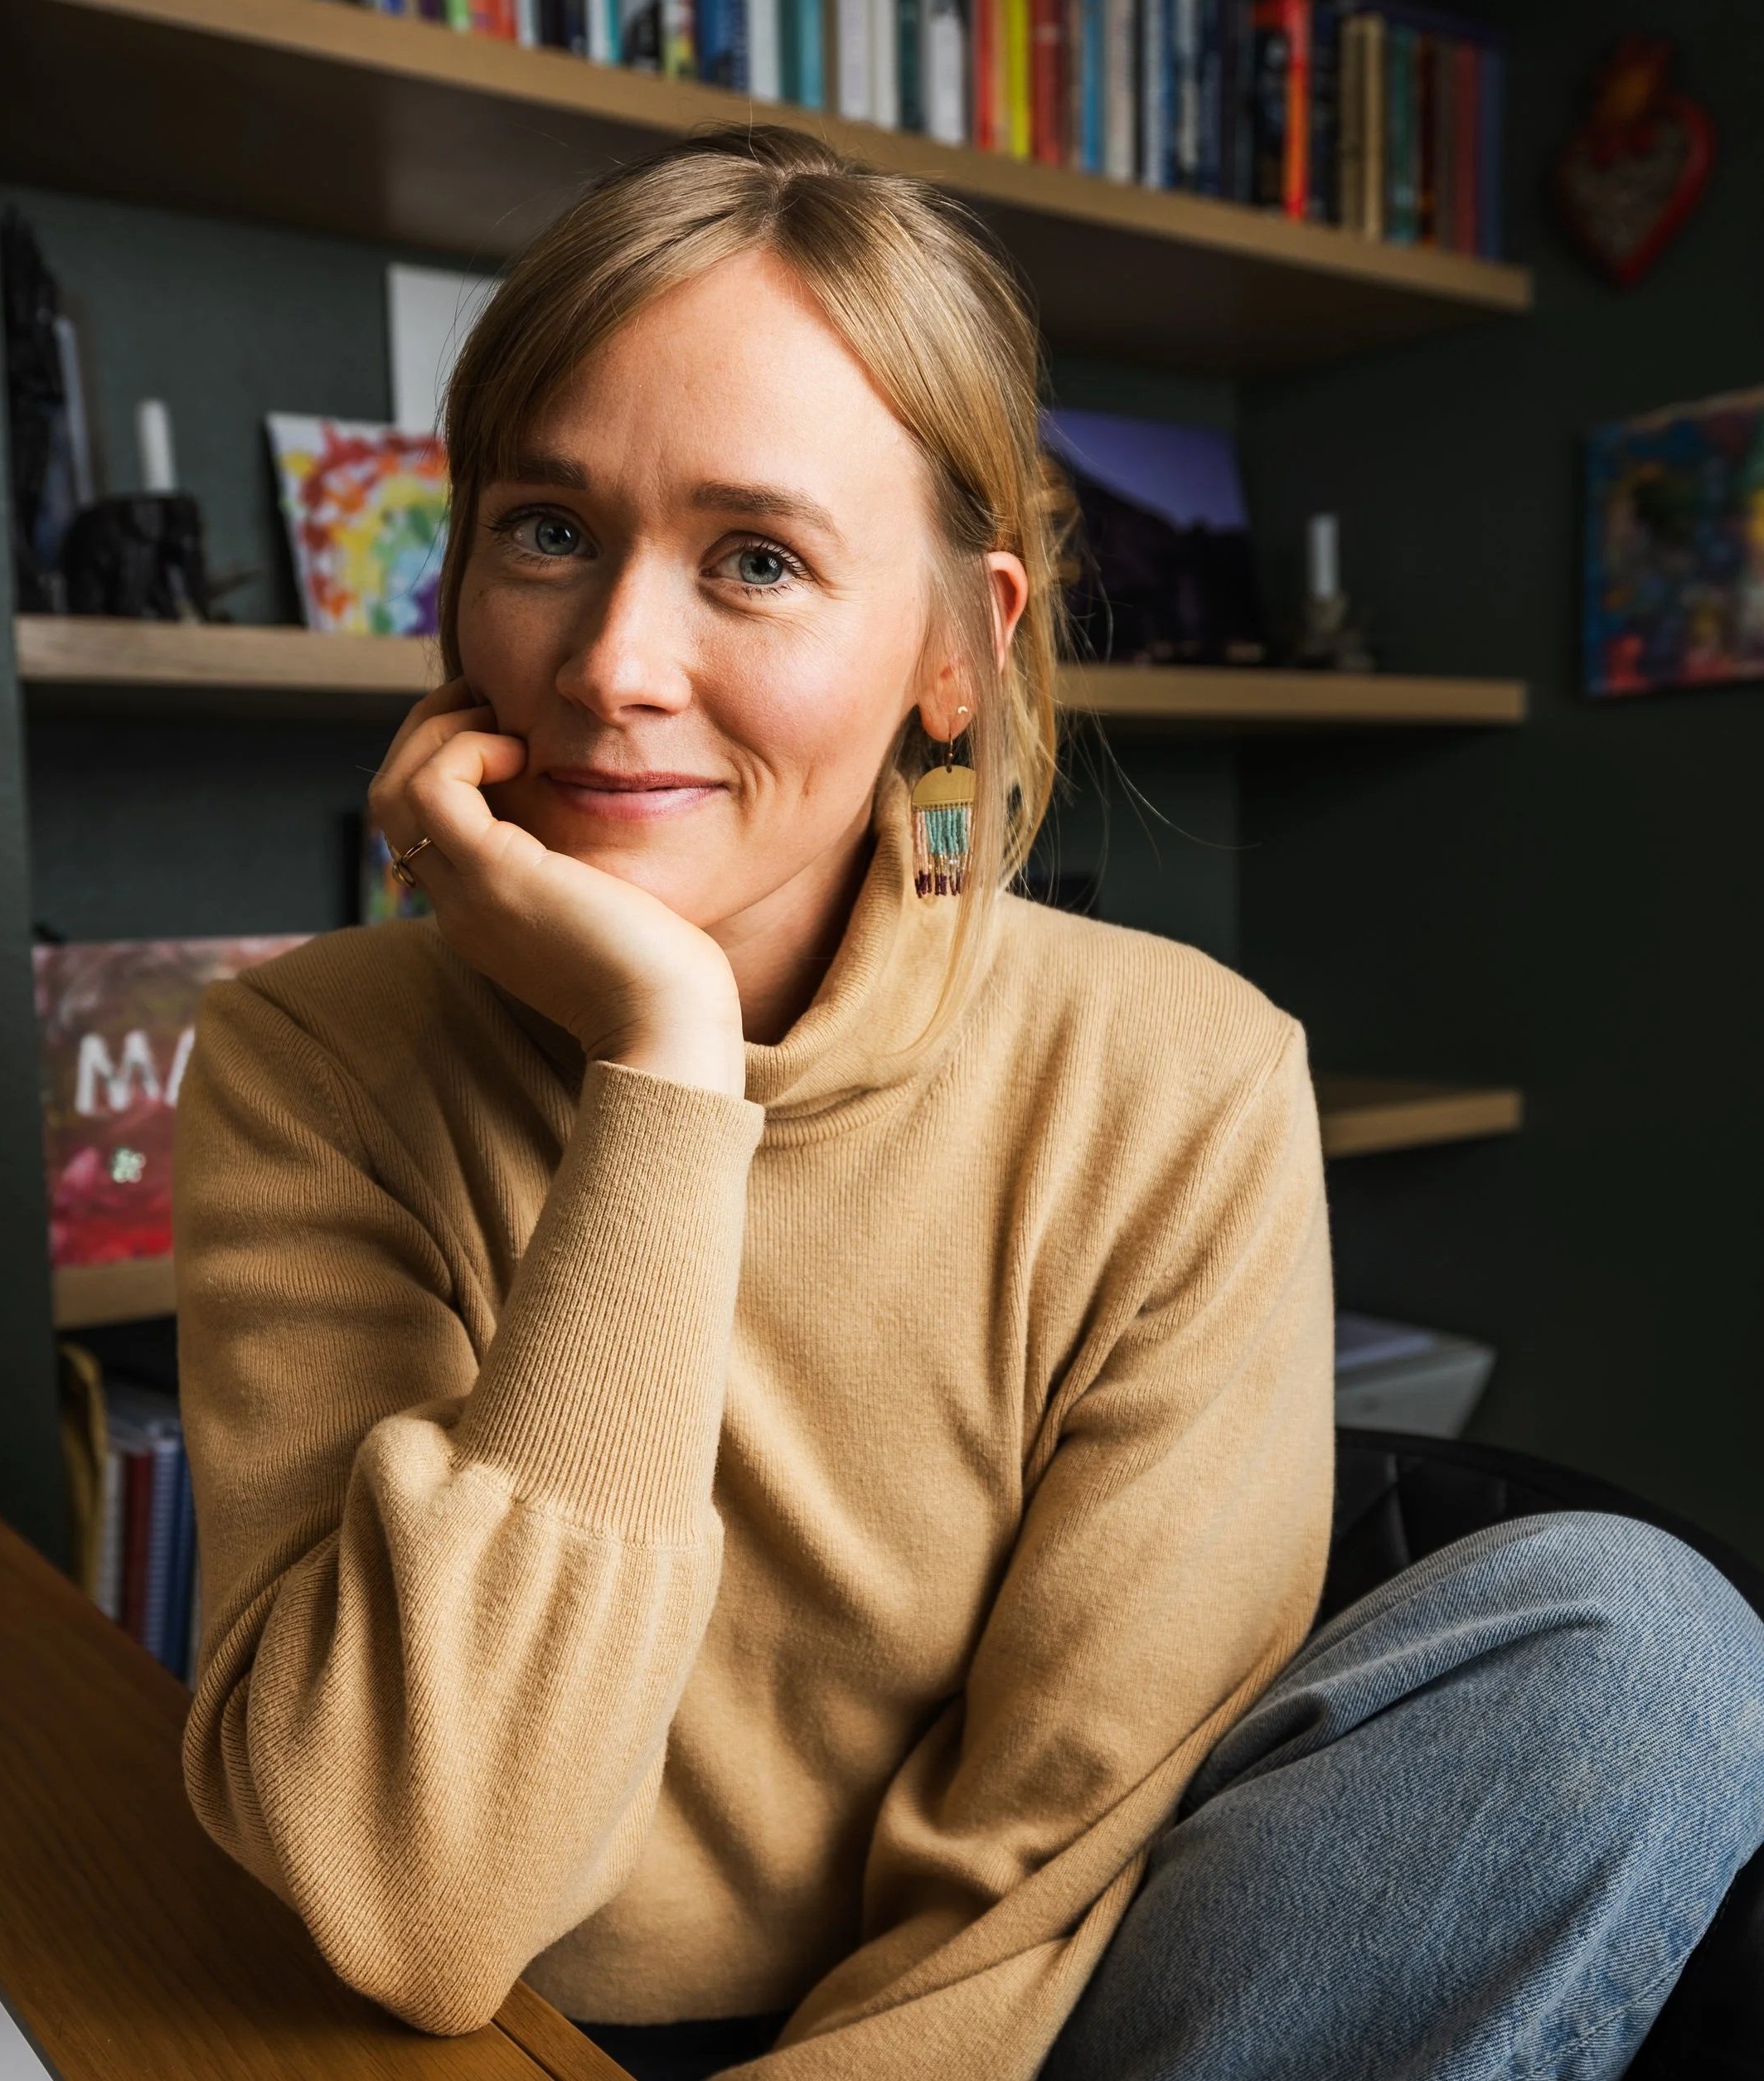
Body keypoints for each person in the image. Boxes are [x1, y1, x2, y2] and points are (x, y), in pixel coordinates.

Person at [174, 129, 1764, 2081]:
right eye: (546, 529)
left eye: (752, 558)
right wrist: (662, 1071)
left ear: (954, 647)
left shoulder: (1181, 1079)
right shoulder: (303, 1064)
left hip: (1030, 2028)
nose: (609, 662)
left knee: (1644, 1649)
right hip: (495, 2027)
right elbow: (411, 1898)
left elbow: (1046, 1870)